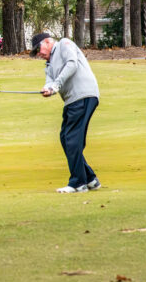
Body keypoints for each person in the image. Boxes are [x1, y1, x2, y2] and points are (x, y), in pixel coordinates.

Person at [31, 32, 101, 193]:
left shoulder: (63, 44)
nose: (38, 54)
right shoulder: (49, 64)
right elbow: (50, 81)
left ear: (47, 42)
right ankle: (89, 178)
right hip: (72, 100)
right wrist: (48, 89)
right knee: (66, 138)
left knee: (72, 140)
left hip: (83, 94)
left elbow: (72, 64)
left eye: (38, 49)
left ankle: (78, 183)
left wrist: (55, 86)